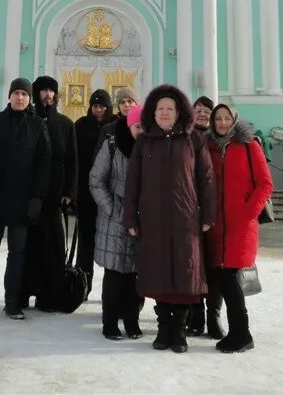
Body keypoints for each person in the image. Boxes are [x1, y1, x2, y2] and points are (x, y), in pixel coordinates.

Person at [123, 84, 216, 355]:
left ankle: (180, 331)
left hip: (186, 219)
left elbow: (207, 180)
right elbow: (133, 182)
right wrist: (130, 216)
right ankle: (164, 329)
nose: (164, 113)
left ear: (179, 113)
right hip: (152, 219)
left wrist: (208, 215)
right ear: (153, 112)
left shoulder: (194, 140)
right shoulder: (145, 141)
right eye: (160, 109)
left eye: (170, 109)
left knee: (185, 273)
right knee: (158, 272)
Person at [0, 78, 51, 320]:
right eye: (16, 93)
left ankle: (12, 302)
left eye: (24, 94)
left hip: (23, 203)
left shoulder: (38, 125)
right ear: (9, 96)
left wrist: (38, 197)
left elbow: (44, 164)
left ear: (29, 98)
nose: (20, 98)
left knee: (17, 253)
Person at [205, 104, 273, 353]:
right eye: (218, 119)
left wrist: (248, 213)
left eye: (226, 118)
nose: (222, 123)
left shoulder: (248, 145)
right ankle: (239, 333)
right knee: (224, 279)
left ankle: (241, 334)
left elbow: (265, 184)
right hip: (217, 226)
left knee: (231, 278)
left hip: (241, 225)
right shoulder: (209, 147)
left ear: (234, 120)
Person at [21, 75, 77, 312]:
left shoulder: (65, 124)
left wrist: (68, 192)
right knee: (26, 248)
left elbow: (72, 160)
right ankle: (22, 293)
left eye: (51, 91)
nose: (47, 94)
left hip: (54, 198)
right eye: (43, 90)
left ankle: (49, 296)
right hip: (29, 197)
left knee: (52, 248)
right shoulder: (26, 120)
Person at [89, 103, 143, 340]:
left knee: (133, 274)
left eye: (145, 127)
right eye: (138, 126)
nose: (141, 131)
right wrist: (112, 209)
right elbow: (96, 181)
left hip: (140, 220)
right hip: (113, 220)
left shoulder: (149, 149)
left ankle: (132, 322)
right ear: (130, 124)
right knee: (114, 274)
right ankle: (109, 323)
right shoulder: (111, 146)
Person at [184, 95, 223, 338]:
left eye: (207, 110)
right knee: (194, 265)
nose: (202, 114)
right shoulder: (184, 138)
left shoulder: (220, 141)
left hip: (216, 213)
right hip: (189, 213)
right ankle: (195, 315)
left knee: (215, 267)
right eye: (197, 109)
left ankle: (214, 316)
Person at [74, 89, 114, 296]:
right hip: (86, 194)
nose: (98, 110)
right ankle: (83, 284)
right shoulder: (80, 126)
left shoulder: (116, 126)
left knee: (113, 243)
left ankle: (112, 291)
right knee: (86, 242)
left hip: (110, 194)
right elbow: (75, 160)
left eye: (102, 106)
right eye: (95, 106)